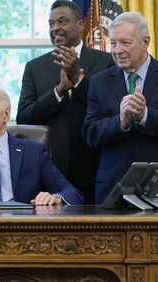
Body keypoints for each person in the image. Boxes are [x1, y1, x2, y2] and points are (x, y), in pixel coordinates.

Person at [16, 0, 113, 204]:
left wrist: (78, 79)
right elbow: (24, 117)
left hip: (94, 171)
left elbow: (109, 110)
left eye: (62, 21)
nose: (55, 28)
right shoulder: (35, 67)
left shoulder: (105, 62)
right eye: (51, 23)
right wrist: (58, 91)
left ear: (80, 25)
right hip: (48, 175)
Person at [83, 12, 158, 204]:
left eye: (125, 43)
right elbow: (90, 133)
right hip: (113, 187)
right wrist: (121, 122)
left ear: (145, 42)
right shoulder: (99, 82)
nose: (117, 50)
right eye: (113, 43)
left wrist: (144, 116)